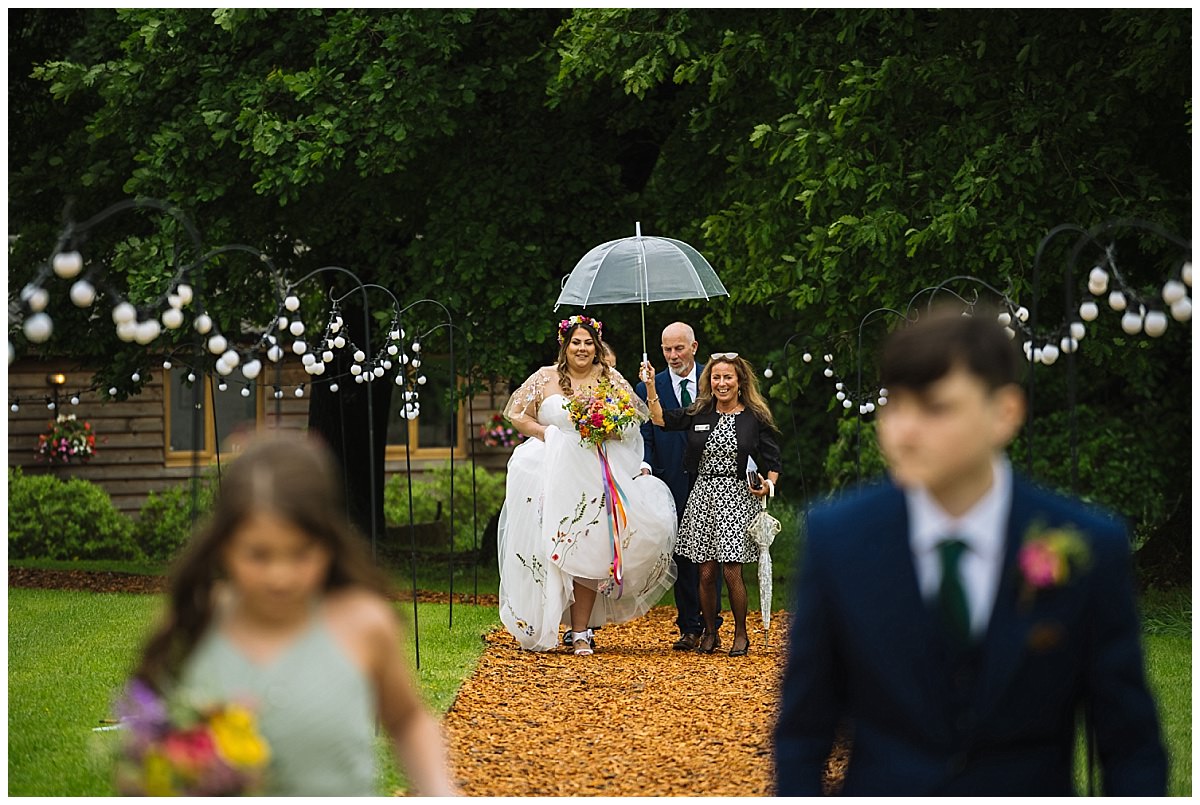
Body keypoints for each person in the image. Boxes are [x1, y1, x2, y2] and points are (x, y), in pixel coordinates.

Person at [774, 309, 1167, 795]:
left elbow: (1131, 747)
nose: (905, 430)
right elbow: (802, 734)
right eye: (895, 405)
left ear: (1005, 413)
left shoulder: (1088, 544)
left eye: (935, 407)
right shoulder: (838, 539)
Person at [126, 434, 458, 796]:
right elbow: (155, 737)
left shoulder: (362, 625)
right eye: (259, 555)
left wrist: (441, 793)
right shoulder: (196, 620)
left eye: (300, 553)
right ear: (224, 545)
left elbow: (407, 720)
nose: (280, 576)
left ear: (329, 543)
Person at [498, 315, 678, 655]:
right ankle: (546, 622)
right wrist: (548, 434)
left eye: (588, 342)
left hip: (592, 473)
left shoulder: (609, 379)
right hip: (550, 469)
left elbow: (636, 417)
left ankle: (581, 631)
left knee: (585, 546)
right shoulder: (544, 377)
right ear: (565, 346)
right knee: (547, 545)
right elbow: (517, 414)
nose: (582, 348)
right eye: (576, 342)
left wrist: (612, 426)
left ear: (597, 347)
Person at [640, 352, 781, 657]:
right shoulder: (701, 412)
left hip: (738, 497)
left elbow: (773, 460)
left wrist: (768, 485)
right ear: (710, 382)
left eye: (727, 377)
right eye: (716, 377)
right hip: (703, 494)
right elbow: (660, 419)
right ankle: (710, 632)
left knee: (731, 571)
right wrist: (650, 386)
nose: (721, 383)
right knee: (704, 573)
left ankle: (741, 634)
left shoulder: (753, 417)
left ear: (739, 381)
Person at [634, 321, 722, 651]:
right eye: (667, 349)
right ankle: (689, 626)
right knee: (682, 553)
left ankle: (713, 624)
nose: (673, 355)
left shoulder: (713, 381)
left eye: (679, 348)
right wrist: (645, 465)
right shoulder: (647, 388)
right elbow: (644, 433)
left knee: (713, 554)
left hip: (711, 479)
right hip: (668, 477)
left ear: (694, 347)